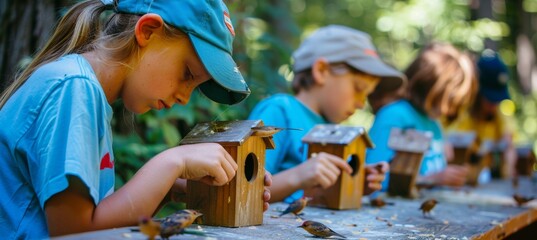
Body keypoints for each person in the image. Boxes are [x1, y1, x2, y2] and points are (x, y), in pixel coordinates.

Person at [0, 0, 271, 238]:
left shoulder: (85, 91)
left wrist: (173, 188)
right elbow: (74, 232)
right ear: (148, 31)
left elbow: (99, 220)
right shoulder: (73, 88)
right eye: (188, 74)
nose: (185, 98)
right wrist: (173, 161)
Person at [248, 25, 406, 203]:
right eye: (358, 89)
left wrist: (354, 182)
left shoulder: (331, 128)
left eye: (367, 95)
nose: (362, 104)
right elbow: (245, 190)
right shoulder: (280, 110)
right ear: (321, 71)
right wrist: (299, 176)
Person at [366, 43, 477, 190]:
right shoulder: (394, 115)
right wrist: (431, 179)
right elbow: (372, 179)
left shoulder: (434, 123)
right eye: (449, 100)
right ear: (429, 85)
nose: (449, 111)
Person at [444, 49, 517, 180]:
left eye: (497, 99)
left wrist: (508, 169)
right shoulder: (458, 112)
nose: (494, 105)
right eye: (490, 98)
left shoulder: (499, 114)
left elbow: (509, 146)